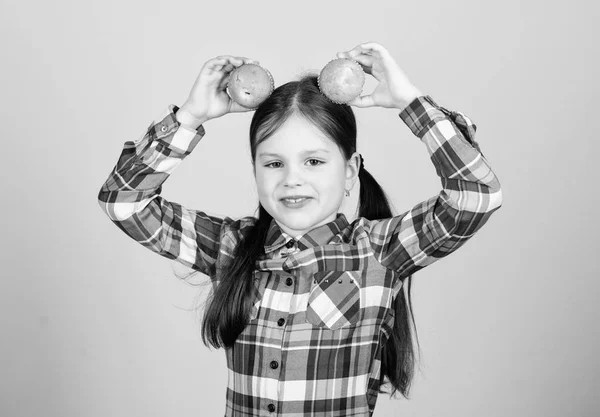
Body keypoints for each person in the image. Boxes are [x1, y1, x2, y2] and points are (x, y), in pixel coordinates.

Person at [97, 42, 502, 416]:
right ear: (254, 170)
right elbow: (124, 202)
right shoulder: (232, 247)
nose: (292, 179)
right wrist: (190, 116)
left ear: (350, 172)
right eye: (274, 163)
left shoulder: (380, 252)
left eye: (314, 162)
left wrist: (410, 102)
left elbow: (476, 195)